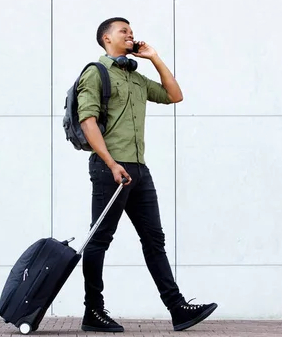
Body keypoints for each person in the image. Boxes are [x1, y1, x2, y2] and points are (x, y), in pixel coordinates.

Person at [76, 17, 218, 332]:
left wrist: (153, 57)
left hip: (139, 170)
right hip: (110, 168)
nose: (131, 34)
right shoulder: (95, 73)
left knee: (154, 239)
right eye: (123, 31)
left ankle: (177, 308)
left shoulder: (136, 79)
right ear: (106, 38)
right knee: (100, 239)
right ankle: (93, 312)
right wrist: (112, 164)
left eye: (132, 31)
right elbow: (87, 120)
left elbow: (175, 95)